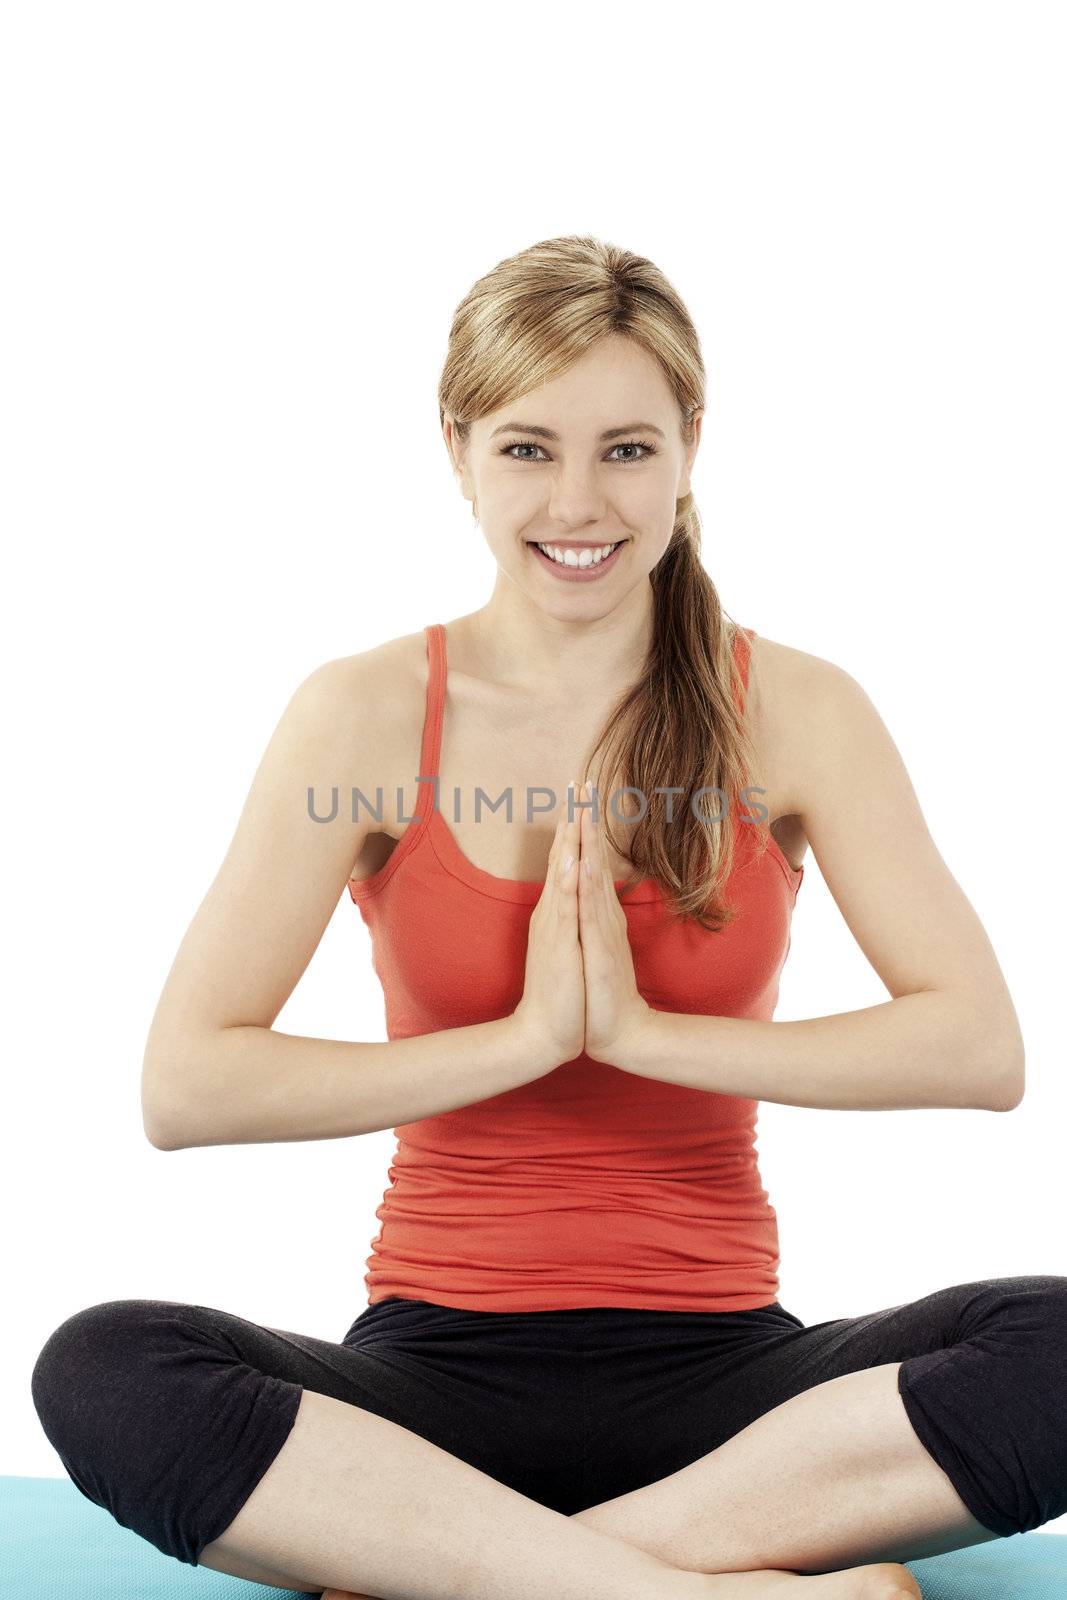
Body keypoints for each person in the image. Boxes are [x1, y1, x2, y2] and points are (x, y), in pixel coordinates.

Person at [30, 235, 1067, 1600]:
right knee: (104, 1364)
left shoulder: (800, 711)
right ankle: (684, 1591)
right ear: (455, 446)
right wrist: (524, 1041)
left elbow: (978, 1049)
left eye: (627, 448)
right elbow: (188, 1084)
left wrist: (639, 1033)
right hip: (430, 1386)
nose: (579, 500)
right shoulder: (365, 712)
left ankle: (456, 1576)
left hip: (738, 1396)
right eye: (528, 449)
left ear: (693, 443)